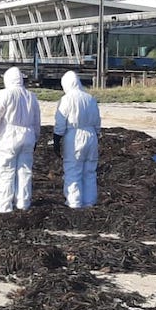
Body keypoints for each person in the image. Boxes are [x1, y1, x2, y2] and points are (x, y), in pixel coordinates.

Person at [0, 66, 41, 213]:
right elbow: (36, 120)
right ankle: (23, 203)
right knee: (25, 171)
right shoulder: (31, 96)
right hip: (28, 134)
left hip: (9, 135)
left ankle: (4, 206)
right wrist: (36, 137)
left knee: (6, 171)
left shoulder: (5, 94)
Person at [53, 70, 101, 208]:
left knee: (73, 170)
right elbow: (97, 120)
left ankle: (74, 202)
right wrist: (96, 134)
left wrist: (56, 140)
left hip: (74, 136)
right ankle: (89, 202)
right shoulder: (90, 98)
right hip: (91, 135)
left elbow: (60, 122)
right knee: (90, 171)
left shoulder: (66, 99)